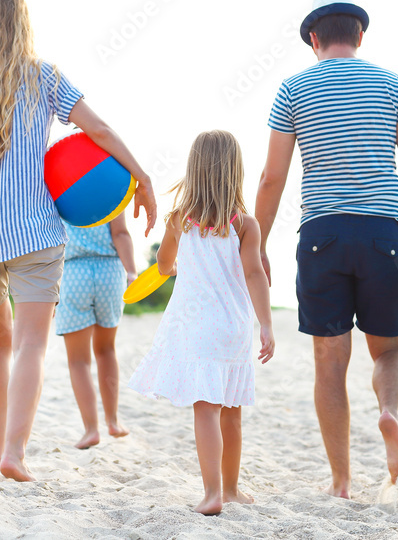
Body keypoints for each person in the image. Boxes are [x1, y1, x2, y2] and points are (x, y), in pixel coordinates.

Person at [0, 0, 156, 482]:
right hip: (37, 235)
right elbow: (100, 133)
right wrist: (143, 177)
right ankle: (14, 453)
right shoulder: (44, 78)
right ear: (23, 23)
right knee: (30, 346)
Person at [254, 0, 398, 496]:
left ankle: (341, 481)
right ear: (360, 36)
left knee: (330, 360)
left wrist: (255, 245)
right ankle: (389, 413)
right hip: (383, 232)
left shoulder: (293, 89)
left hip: (322, 232)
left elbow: (271, 178)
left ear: (315, 40)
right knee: (389, 350)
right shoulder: (392, 85)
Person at [128, 130, 275, 515]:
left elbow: (161, 265)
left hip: (196, 327)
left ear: (195, 170)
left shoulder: (180, 220)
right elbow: (256, 274)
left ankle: (211, 493)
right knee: (233, 410)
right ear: (235, 171)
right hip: (234, 327)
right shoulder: (245, 224)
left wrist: (175, 267)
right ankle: (231, 490)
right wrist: (266, 324)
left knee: (206, 409)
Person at [56, 212, 137, 449]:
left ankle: (91, 429)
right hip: (110, 271)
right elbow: (120, 233)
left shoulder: (59, 185)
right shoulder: (111, 180)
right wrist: (131, 271)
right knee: (106, 350)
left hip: (72, 272)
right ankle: (113, 421)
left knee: (78, 361)